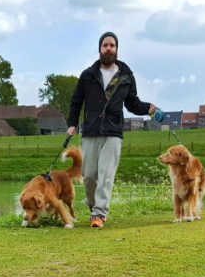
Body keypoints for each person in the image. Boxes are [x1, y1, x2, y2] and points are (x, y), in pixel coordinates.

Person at [67, 31, 157, 228]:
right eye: (105, 45)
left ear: (116, 49)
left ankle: (99, 214)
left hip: (114, 131)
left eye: (112, 46)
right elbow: (76, 102)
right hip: (90, 130)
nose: (109, 49)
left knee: (106, 174)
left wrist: (147, 108)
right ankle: (93, 206)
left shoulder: (126, 76)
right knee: (89, 175)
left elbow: (132, 103)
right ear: (99, 49)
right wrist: (72, 124)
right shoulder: (88, 75)